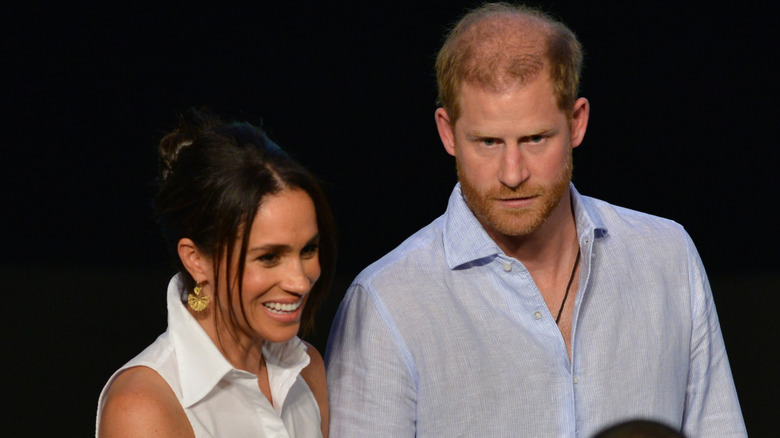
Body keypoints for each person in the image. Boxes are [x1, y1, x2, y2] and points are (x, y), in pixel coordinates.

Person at [325, 3, 745, 437]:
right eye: (487, 141)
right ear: (447, 133)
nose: (512, 173)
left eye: (535, 139)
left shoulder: (665, 256)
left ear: (576, 122)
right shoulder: (388, 303)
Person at [96, 109, 336, 437]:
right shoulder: (143, 406)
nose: (299, 281)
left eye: (308, 249)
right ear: (196, 260)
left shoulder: (307, 369)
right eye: (268, 257)